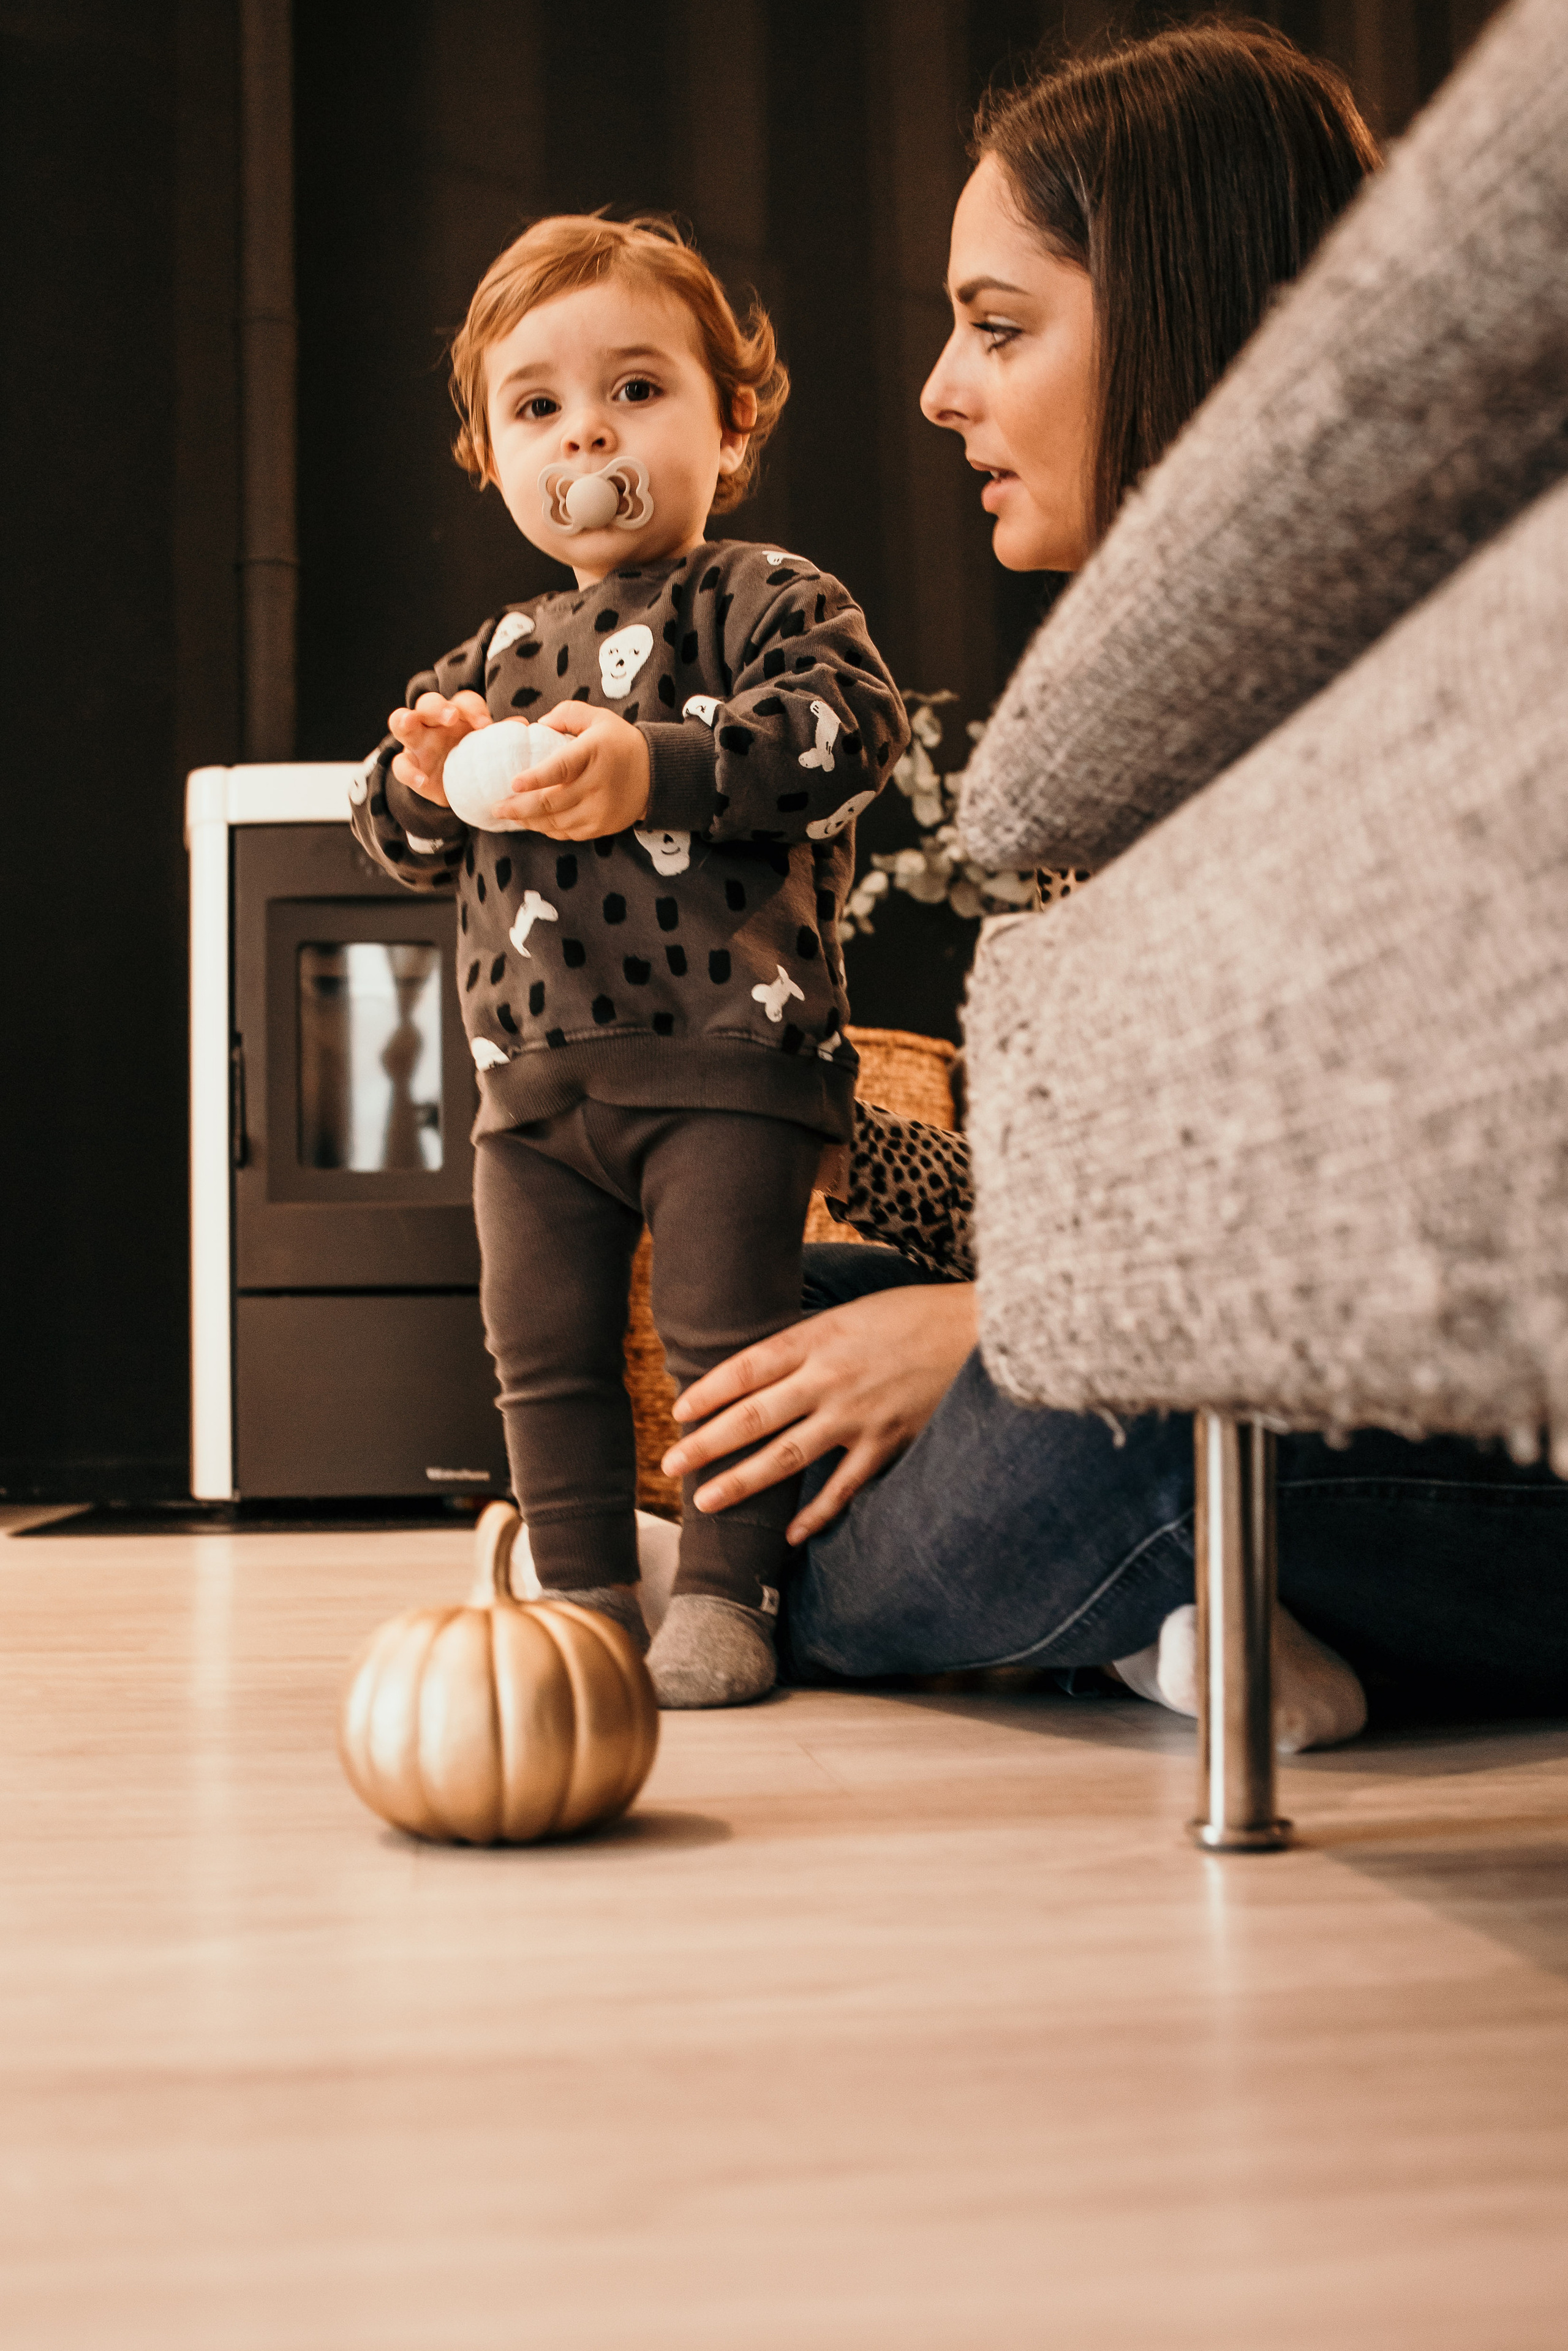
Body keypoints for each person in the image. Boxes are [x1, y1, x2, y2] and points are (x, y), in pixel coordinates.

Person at [657, 25, 1568, 1740]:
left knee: (1109, 1424)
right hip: (1200, 1373)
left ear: (1179, 313)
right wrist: (819, 1142)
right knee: (761, 1315)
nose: (940, 385)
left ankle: (771, 1591)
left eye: (1000, 326)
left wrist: (1022, 1326)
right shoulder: (1155, 737)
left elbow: (1421, 1181)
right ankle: (1171, 1612)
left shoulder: (1431, 701)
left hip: (1426, 1436)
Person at [350, 214, 909, 1709]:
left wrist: (654, 770)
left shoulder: (765, 596)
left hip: (727, 1051)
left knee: (724, 1333)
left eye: (636, 390)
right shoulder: (485, 659)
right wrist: (422, 779)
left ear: (730, 424)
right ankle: (586, 1595)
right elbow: (392, 835)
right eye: (535, 406)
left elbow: (851, 731)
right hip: (530, 1083)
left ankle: (731, 1591)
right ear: (490, 453)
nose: (584, 429)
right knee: (540, 1351)